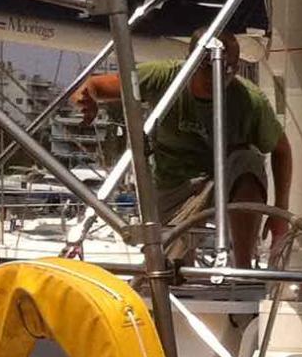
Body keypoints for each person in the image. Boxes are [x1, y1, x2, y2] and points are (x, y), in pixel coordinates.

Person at [70, 53, 290, 265]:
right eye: (207, 66)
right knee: (168, 269)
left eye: (228, 67)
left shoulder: (250, 99)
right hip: (173, 187)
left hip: (223, 181)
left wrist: (280, 212)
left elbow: (281, 149)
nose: (218, 74)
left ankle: (243, 267)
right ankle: (173, 268)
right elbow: (93, 85)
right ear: (190, 61)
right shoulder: (164, 77)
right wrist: (87, 99)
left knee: (247, 160)